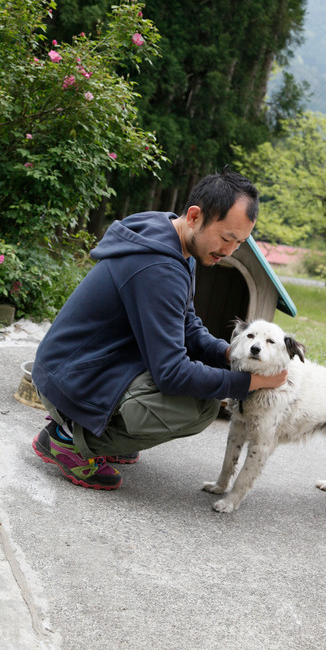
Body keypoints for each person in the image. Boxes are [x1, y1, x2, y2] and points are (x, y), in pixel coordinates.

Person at [31, 170, 287, 490]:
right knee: (201, 407)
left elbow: (187, 324)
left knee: (203, 376)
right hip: (70, 377)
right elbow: (171, 373)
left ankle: (96, 430)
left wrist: (226, 352)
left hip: (79, 365)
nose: (230, 251)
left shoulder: (175, 240)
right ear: (195, 216)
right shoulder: (158, 267)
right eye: (226, 237)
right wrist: (248, 382)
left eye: (239, 242)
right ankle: (70, 438)